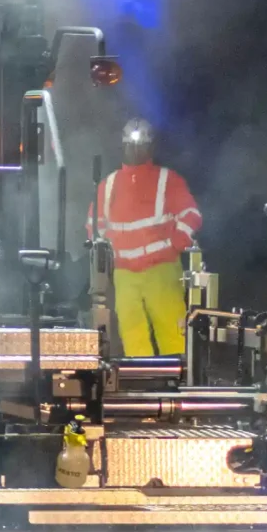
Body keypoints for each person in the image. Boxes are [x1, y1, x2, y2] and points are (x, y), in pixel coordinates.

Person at [87, 118, 204, 357]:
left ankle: (178, 384)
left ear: (151, 148)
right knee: (133, 337)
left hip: (161, 272)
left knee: (174, 335)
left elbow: (191, 215)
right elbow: (93, 225)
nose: (136, 150)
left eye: (141, 145)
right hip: (124, 275)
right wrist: (109, 257)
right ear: (123, 147)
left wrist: (174, 245)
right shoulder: (108, 185)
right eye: (131, 145)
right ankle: (142, 383)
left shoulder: (167, 180)